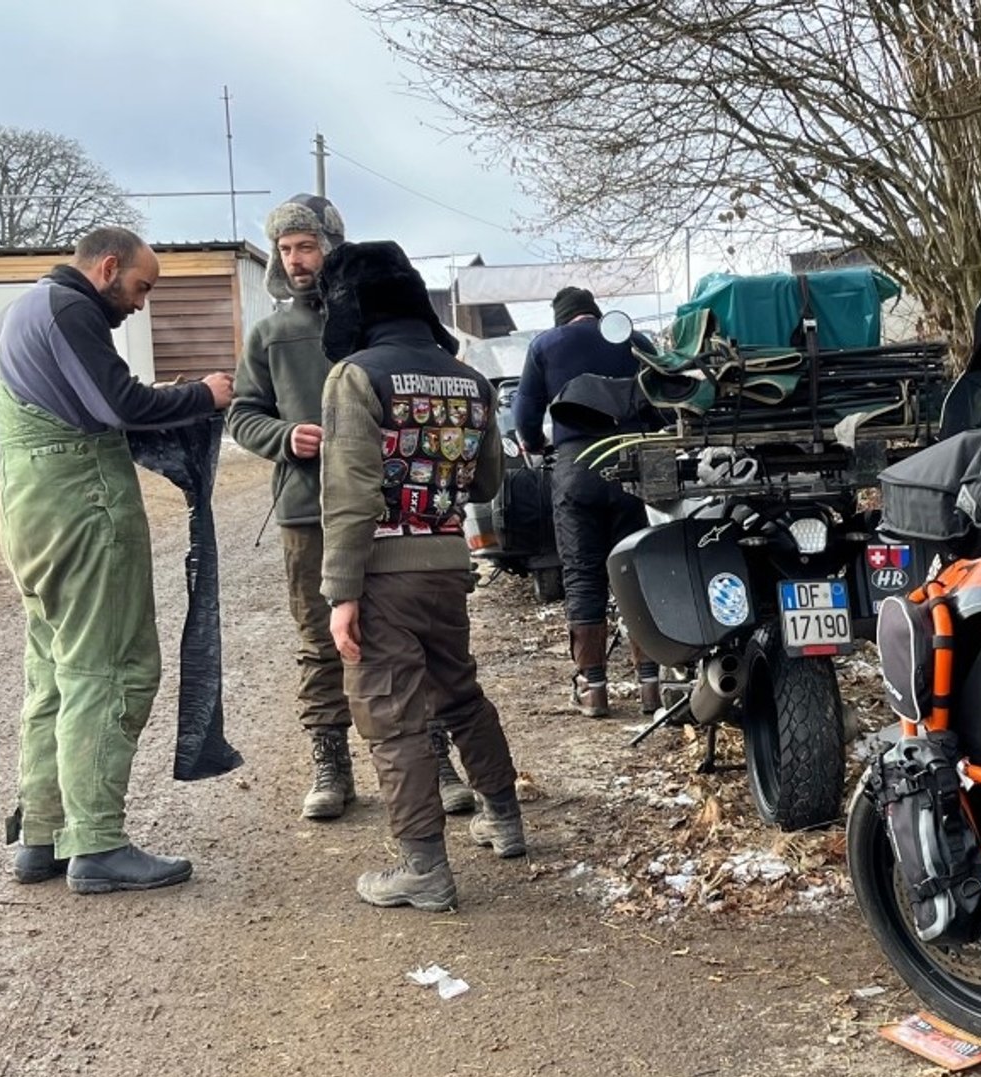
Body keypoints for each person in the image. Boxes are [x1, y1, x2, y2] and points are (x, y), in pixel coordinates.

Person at [0, 226, 232, 893]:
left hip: (29, 511)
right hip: (82, 511)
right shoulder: (71, 311)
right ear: (106, 268)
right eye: (139, 287)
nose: (140, 302)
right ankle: (97, 842)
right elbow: (119, 404)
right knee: (112, 669)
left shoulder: (25, 309)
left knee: (54, 674)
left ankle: (43, 836)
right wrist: (203, 395)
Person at [227, 195, 477, 821]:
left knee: (409, 641)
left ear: (333, 244)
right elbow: (241, 414)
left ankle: (435, 757)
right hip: (307, 511)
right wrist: (284, 437)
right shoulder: (271, 334)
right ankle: (330, 761)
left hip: (395, 514)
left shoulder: (376, 316)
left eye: (306, 245)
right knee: (321, 640)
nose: (295, 259)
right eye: (285, 249)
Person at [318, 240, 524, 912]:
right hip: (446, 564)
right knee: (460, 694)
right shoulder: (468, 378)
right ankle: (504, 818)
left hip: (382, 573)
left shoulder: (355, 376)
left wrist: (341, 592)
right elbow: (490, 478)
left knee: (393, 716)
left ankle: (423, 869)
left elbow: (350, 490)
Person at [512, 286, 661, 718]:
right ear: (594, 314)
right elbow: (664, 395)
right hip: (632, 466)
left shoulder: (544, 344)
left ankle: (594, 690)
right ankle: (650, 682)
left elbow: (524, 414)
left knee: (581, 575)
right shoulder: (631, 338)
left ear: (561, 318)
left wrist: (537, 443)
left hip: (576, 470)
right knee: (634, 571)